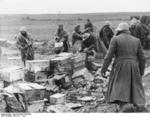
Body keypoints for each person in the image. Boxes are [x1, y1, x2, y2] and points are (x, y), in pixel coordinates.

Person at [101, 22, 147, 112]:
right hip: (134, 67)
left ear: (119, 31)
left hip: (120, 66)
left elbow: (108, 56)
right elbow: (142, 59)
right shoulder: (136, 40)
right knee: (134, 87)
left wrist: (103, 69)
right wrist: (141, 71)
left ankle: (124, 108)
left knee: (120, 87)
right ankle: (136, 107)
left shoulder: (115, 39)